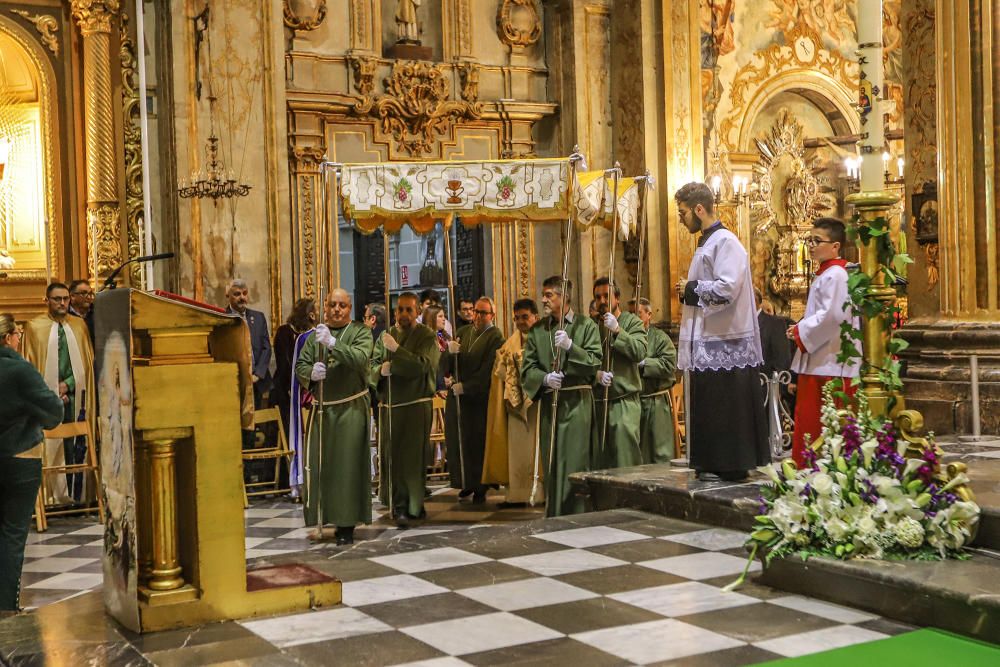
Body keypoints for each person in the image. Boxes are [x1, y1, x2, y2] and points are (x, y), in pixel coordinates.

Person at [674, 182, 769, 482]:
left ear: (699, 209)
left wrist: (689, 289)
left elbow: (728, 288)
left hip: (726, 341)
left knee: (725, 404)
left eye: (683, 212)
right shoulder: (707, 243)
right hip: (711, 339)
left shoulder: (726, 242)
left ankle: (730, 463)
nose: (681, 218)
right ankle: (712, 462)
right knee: (712, 402)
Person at [295, 289, 373, 545]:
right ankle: (324, 514)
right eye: (332, 305)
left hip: (350, 409)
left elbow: (361, 360)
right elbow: (301, 366)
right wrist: (310, 375)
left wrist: (333, 344)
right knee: (322, 466)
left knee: (346, 468)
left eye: (342, 305)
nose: (337, 310)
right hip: (323, 409)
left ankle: (346, 523)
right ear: (325, 307)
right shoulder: (315, 336)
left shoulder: (360, 332)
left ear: (350, 308)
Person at [521, 276, 601, 516]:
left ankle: (577, 511)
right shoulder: (537, 330)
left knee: (575, 460)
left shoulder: (586, 326)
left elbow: (595, 361)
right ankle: (555, 510)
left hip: (577, 404)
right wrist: (544, 379)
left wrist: (570, 347)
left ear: (564, 296)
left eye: (549, 295)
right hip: (551, 403)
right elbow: (528, 367)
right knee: (553, 460)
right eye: (543, 295)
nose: (544, 300)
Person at [0, 313, 64, 613]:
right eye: (16, 334)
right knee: (12, 533)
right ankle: (6, 607)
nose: (18, 339)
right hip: (19, 457)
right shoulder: (18, 370)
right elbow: (53, 413)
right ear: (8, 337)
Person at [787, 218, 861, 467]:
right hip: (820, 362)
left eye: (817, 241)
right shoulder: (826, 274)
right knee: (810, 426)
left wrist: (800, 330)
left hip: (831, 364)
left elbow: (833, 317)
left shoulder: (837, 275)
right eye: (810, 240)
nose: (811, 245)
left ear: (835, 246)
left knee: (821, 426)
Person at [21, 283, 96, 505]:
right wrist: (52, 390)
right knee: (51, 446)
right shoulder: (35, 327)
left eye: (65, 298)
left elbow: (87, 365)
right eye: (57, 299)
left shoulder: (80, 326)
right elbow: (30, 367)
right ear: (47, 301)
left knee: (76, 445)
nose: (62, 303)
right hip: (47, 399)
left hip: (75, 396)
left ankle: (79, 496)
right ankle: (51, 498)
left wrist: (68, 385)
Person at [370, 292, 441, 526]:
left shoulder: (426, 336)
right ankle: (397, 503)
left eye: (409, 310)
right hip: (390, 406)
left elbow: (422, 366)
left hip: (415, 405)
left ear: (418, 311)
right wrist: (380, 371)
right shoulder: (386, 335)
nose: (403, 315)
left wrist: (397, 352)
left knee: (412, 459)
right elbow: (372, 364)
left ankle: (413, 505)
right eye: (400, 309)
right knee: (393, 458)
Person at [441, 297, 504, 503]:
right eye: (476, 311)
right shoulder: (462, 332)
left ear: (492, 316)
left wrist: (466, 387)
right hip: (458, 398)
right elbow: (449, 366)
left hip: (478, 399)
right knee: (459, 441)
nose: (477, 316)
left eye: (483, 313)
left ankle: (480, 485)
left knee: (476, 443)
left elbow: (488, 369)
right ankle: (464, 481)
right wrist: (450, 354)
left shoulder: (495, 336)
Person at [483, 298, 540, 507]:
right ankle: (516, 495)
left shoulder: (544, 339)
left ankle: (539, 493)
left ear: (536, 317)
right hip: (515, 405)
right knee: (516, 451)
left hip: (537, 404)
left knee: (536, 451)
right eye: (517, 318)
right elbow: (499, 372)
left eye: (525, 317)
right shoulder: (509, 344)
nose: (520, 322)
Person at [591, 277, 647, 469]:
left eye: (606, 296)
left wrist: (617, 331)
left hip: (624, 400)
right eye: (597, 297)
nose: (602, 301)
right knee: (602, 461)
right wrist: (596, 374)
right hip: (599, 401)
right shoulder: (592, 326)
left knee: (625, 458)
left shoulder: (632, 322)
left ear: (617, 298)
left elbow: (640, 352)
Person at [273, 298, 316, 495]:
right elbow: (285, 364)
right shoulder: (284, 332)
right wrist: (297, 387)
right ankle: (292, 480)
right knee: (292, 433)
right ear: (309, 314)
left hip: (308, 390)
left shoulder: (314, 335)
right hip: (288, 390)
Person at [637, 298, 678, 464]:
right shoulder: (629, 339)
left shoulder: (660, 338)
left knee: (660, 451)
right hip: (636, 401)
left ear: (649, 314)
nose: (635, 318)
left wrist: (645, 363)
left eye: (638, 313)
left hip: (656, 401)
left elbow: (669, 364)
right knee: (640, 453)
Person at [225, 279, 273, 409]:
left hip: (258, 381)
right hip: (234, 382)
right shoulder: (222, 318)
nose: (242, 297)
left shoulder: (258, 317)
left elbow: (266, 348)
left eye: (244, 293)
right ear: (227, 295)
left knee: (258, 422)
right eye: (237, 294)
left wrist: (257, 374)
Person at [67, 280, 96, 346]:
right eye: (84, 293)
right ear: (72, 296)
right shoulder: (64, 315)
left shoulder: (98, 313)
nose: (89, 297)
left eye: (90, 293)